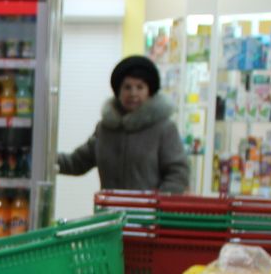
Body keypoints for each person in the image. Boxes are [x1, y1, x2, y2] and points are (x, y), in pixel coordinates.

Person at [58, 54, 190, 194]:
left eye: (140, 87)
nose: (133, 93)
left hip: (149, 207)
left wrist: (159, 200)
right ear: (118, 92)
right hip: (109, 207)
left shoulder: (164, 129)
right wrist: (44, 158)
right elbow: (76, 162)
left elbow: (178, 173)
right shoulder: (105, 129)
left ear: (149, 92)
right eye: (127, 87)